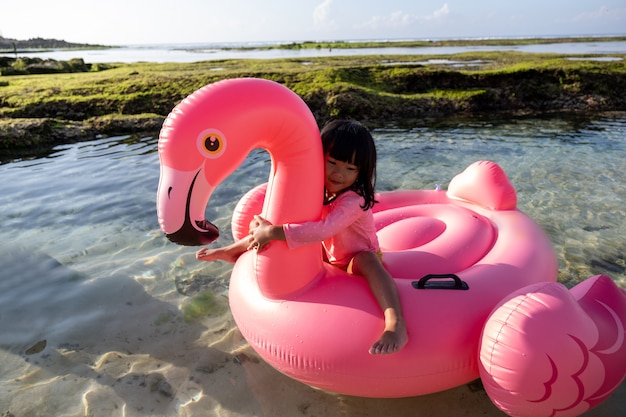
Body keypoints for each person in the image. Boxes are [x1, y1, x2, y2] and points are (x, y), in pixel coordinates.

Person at [196, 119, 408, 355]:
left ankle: (395, 323)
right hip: (329, 255)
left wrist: (275, 231)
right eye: (332, 163)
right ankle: (233, 250)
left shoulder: (354, 199)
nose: (339, 173)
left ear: (361, 171)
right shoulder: (320, 188)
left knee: (367, 259)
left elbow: (324, 229)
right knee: (273, 229)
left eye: (350, 169)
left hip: (356, 258)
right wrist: (265, 225)